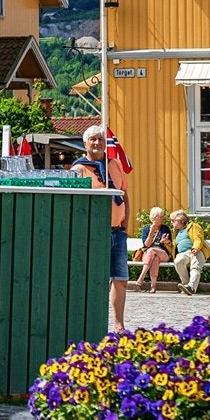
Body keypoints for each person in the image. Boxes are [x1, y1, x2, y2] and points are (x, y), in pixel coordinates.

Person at [72, 124, 130, 332]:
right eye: (93, 139)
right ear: (85, 143)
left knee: (120, 279)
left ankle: (118, 323)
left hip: (117, 232)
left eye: (100, 139)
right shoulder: (78, 170)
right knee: (96, 279)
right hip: (93, 233)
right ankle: (92, 322)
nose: (97, 143)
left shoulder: (114, 164)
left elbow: (124, 195)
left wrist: (125, 225)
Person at [129, 206, 174, 292]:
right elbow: (146, 245)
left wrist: (166, 241)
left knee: (152, 251)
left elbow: (170, 244)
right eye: (159, 216)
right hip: (150, 255)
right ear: (153, 217)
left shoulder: (165, 228)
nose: (162, 218)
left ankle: (141, 278)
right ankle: (153, 286)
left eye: (162, 216)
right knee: (154, 257)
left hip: (163, 253)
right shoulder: (146, 229)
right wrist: (151, 232)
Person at [169, 209, 210, 296]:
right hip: (184, 254)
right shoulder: (175, 233)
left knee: (195, 265)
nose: (171, 222)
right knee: (178, 261)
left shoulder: (193, 226)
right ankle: (186, 284)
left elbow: (198, 239)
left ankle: (191, 287)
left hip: (197, 251)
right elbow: (173, 248)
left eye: (173, 220)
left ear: (181, 220)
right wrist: (166, 243)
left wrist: (196, 248)